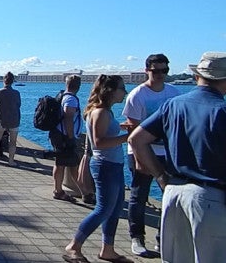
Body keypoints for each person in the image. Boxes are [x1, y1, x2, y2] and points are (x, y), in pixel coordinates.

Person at [129, 52, 226, 263]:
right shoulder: (221, 111)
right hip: (210, 197)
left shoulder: (174, 104)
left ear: (197, 75)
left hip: (173, 193)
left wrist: (161, 176)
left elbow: (136, 140)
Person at [63, 75, 132, 263]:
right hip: (105, 166)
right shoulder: (101, 112)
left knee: (115, 208)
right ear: (110, 90)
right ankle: (74, 245)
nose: (124, 92)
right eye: (121, 88)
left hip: (114, 165)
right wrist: (128, 137)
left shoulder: (105, 112)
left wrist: (122, 129)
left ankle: (107, 249)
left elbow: (104, 134)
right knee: (102, 209)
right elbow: (100, 143)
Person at [122, 54, 180, 256]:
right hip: (142, 151)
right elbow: (132, 129)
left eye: (164, 71)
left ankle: (162, 238)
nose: (160, 75)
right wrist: (138, 158)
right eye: (156, 71)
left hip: (167, 152)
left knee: (170, 197)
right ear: (147, 70)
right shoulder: (137, 95)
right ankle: (137, 237)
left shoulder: (174, 93)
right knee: (139, 195)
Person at [51, 74, 83, 202]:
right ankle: (82, 191)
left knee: (59, 163)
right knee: (70, 164)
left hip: (57, 134)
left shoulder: (62, 95)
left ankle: (58, 189)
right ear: (78, 86)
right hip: (64, 136)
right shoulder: (71, 99)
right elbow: (68, 118)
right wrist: (70, 137)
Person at [0, 72, 21, 166]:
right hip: (14, 119)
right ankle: (11, 161)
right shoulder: (16, 93)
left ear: (4, 80)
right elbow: (19, 104)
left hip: (1, 119)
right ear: (12, 81)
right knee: (12, 142)